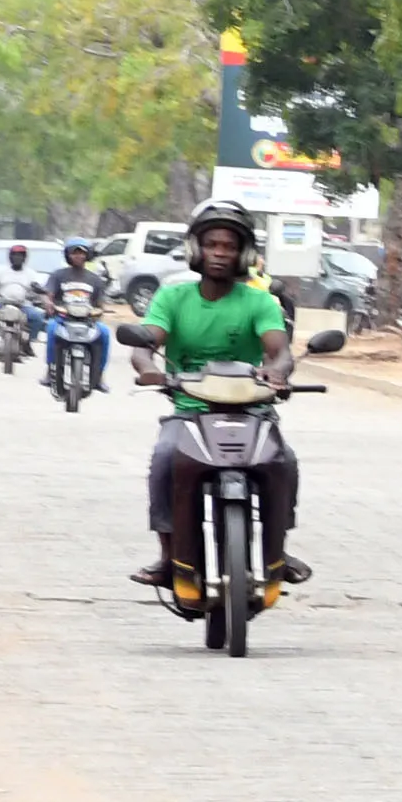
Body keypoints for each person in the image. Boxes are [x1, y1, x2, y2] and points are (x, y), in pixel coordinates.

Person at [120, 203, 306, 595]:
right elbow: (144, 345)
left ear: (243, 254)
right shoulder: (172, 298)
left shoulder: (259, 302)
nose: (220, 252)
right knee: (164, 461)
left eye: (229, 246)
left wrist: (278, 372)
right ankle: (169, 558)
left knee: (283, 462)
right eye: (212, 244)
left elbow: (280, 351)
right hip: (190, 413)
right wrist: (148, 368)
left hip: (254, 411)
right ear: (196, 250)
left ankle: (278, 551)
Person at [37, 241, 115, 394]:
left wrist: (101, 310)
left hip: (88, 320)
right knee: (51, 328)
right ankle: (50, 371)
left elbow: (100, 302)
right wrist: (48, 303)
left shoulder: (95, 279)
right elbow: (48, 294)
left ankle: (99, 376)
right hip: (63, 318)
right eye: (74, 253)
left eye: (81, 253)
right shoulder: (58, 275)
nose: (78, 256)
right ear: (68, 255)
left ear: (87, 255)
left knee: (105, 333)